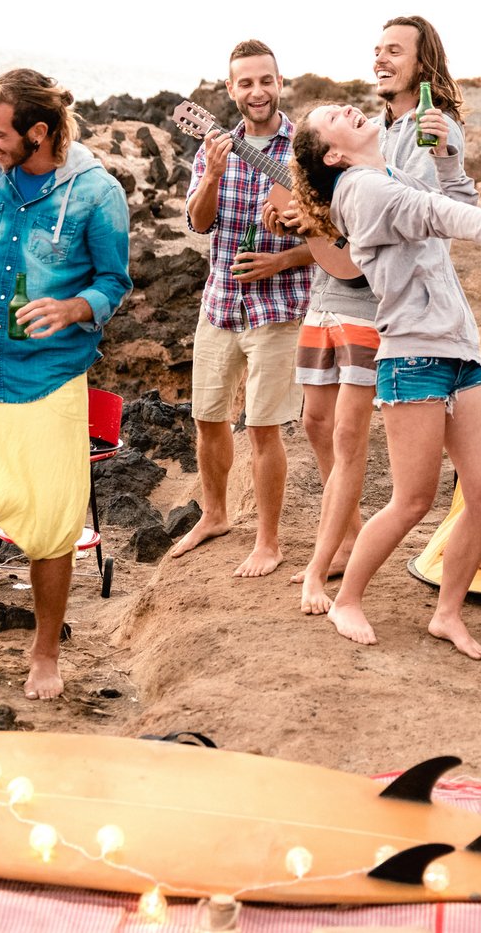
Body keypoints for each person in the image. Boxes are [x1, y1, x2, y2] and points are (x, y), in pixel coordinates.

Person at [289, 104, 481, 659]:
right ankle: (346, 599)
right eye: (332, 116)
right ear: (333, 154)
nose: (348, 106)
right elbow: (438, 214)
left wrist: (447, 155)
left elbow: (450, 207)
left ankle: (447, 614)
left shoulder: (390, 176)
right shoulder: (358, 191)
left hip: (460, 350)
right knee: (413, 499)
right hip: (412, 355)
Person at [0, 69, 132, 700]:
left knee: (51, 525)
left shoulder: (98, 194)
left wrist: (75, 308)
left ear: (37, 132)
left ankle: (45, 654)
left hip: (49, 379)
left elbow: (114, 281)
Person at [286, 15, 480, 617]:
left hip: (396, 311)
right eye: (377, 50)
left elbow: (429, 212)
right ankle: (340, 557)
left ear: (423, 63)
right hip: (360, 297)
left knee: (358, 446)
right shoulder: (382, 127)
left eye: (394, 51)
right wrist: (320, 216)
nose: (381, 59)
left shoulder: (428, 126)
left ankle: (332, 574)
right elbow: (364, 206)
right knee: (327, 430)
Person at [169, 40, 314, 578]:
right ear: (229, 91)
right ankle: (215, 515)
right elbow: (199, 224)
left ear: (280, 83)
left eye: (265, 80)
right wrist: (209, 174)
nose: (257, 91)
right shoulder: (215, 146)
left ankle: (269, 541)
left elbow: (336, 233)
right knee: (207, 417)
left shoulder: (307, 149)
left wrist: (278, 264)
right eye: (245, 83)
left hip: (279, 307)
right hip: (220, 303)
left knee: (264, 427)